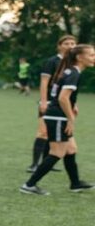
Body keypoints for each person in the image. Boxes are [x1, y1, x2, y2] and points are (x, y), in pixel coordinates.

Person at [19, 44, 95, 194]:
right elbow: (62, 98)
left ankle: (75, 183)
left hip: (57, 115)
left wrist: (73, 105)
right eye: (92, 55)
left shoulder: (69, 71)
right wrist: (71, 119)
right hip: (58, 117)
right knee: (57, 153)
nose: (94, 58)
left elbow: (63, 95)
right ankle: (29, 185)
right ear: (79, 57)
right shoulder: (73, 73)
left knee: (71, 149)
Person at [28, 35, 76, 173]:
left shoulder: (72, 64)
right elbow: (44, 83)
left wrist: (74, 103)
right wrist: (43, 101)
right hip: (49, 101)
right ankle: (34, 165)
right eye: (66, 43)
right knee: (43, 132)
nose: (70, 46)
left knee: (53, 134)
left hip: (63, 103)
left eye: (73, 43)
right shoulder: (52, 61)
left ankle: (47, 162)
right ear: (59, 46)